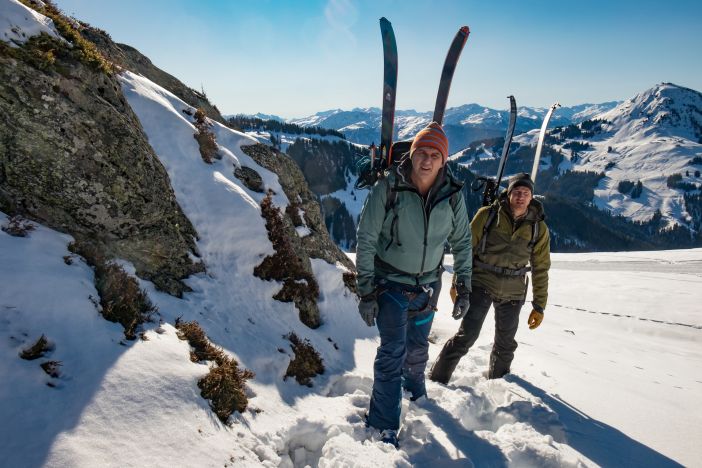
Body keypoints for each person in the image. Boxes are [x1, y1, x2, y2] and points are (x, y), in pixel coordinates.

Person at [355, 122, 473, 448]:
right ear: (412, 153)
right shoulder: (389, 187)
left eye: (435, 155)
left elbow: (463, 242)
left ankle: (413, 388)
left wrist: (464, 286)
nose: (427, 160)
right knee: (393, 350)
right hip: (389, 283)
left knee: (418, 346)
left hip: (428, 286)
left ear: (443, 161)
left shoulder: (452, 195)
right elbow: (366, 239)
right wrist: (365, 290)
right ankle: (382, 425)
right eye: (422, 152)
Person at [430, 172, 551, 384]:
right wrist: (458, 281)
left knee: (505, 345)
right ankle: (437, 379)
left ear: (532, 197)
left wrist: (539, 305)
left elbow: (541, 267)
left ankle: (498, 386)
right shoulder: (487, 215)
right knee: (466, 337)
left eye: (525, 193)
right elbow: (466, 249)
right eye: (516, 192)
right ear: (509, 193)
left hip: (514, 291)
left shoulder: (538, 228)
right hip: (481, 283)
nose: (520, 197)